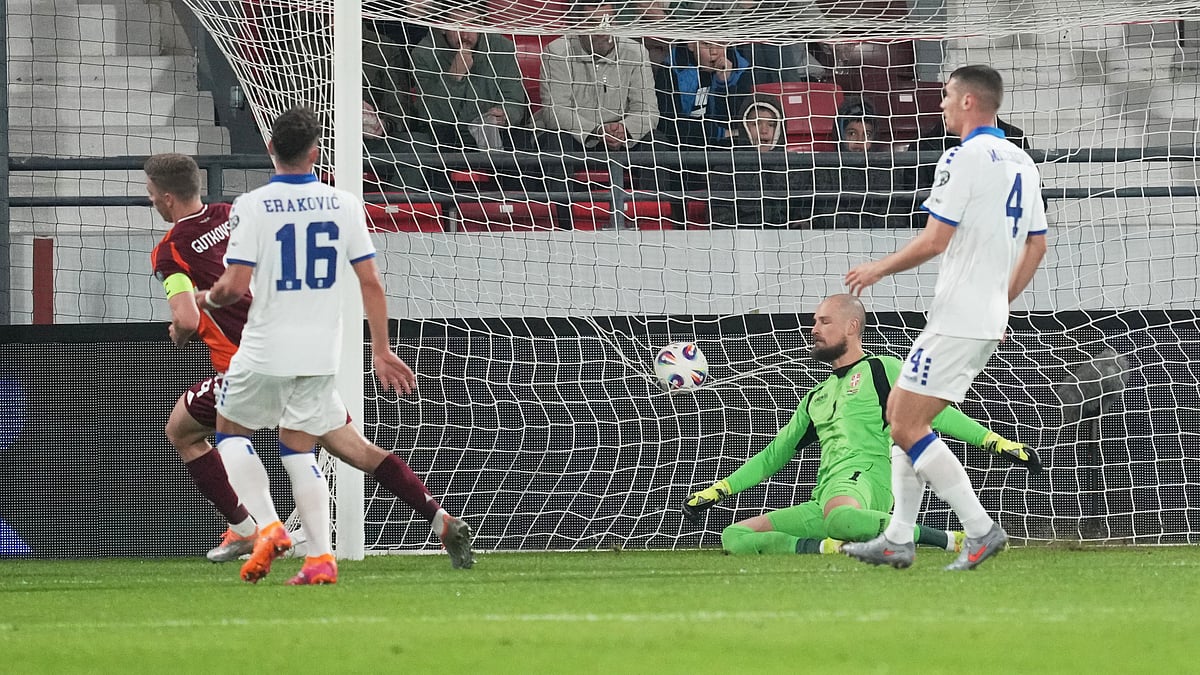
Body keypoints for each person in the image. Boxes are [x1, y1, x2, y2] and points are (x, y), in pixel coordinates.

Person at [197, 107, 475, 585]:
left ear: (270, 149)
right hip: (322, 350)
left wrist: (205, 297)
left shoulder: (252, 205)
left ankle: (269, 528)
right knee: (299, 447)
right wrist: (382, 350)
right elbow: (371, 283)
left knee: (230, 435)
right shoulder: (345, 204)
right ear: (316, 152)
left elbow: (234, 285)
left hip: (266, 345)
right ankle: (321, 560)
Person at [843, 65, 1049, 571]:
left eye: (947, 96)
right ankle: (897, 536)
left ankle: (980, 529)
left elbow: (936, 239)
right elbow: (1038, 244)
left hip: (958, 316)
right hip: (981, 315)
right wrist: (1001, 300)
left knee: (906, 423)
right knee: (900, 415)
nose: (940, 105)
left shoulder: (963, 157)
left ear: (968, 103)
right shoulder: (1021, 161)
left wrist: (878, 268)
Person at [682, 294, 1040, 555]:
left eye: (824, 322)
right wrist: (720, 490)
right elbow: (774, 455)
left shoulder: (881, 368)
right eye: (814, 322)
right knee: (735, 536)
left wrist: (995, 441)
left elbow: (934, 412)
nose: (814, 329)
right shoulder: (815, 397)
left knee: (842, 517)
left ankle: (952, 539)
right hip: (824, 499)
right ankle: (827, 548)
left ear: (852, 327)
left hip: (866, 481)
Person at [146, 153, 259, 563]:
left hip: (243, 362)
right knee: (335, 442)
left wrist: (180, 332)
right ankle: (434, 514)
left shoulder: (170, 249)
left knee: (182, 431)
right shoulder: (231, 214)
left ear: (169, 198)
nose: (151, 201)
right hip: (288, 342)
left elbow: (187, 317)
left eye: (152, 193)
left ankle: (251, 529)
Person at [533, 1, 659, 197]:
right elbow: (554, 112)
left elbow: (648, 110)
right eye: (593, 24)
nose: (601, 32)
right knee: (556, 142)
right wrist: (597, 131)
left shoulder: (636, 53)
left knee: (657, 141)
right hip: (576, 137)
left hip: (622, 138)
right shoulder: (556, 52)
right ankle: (563, 223)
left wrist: (625, 129)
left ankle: (655, 218)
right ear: (579, 23)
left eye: (607, 23)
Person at [409, 2, 529, 152]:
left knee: (521, 139)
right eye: (457, 26)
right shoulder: (424, 54)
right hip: (449, 136)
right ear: (443, 27)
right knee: (434, 139)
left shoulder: (502, 48)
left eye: (472, 24)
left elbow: (514, 100)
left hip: (494, 132)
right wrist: (453, 77)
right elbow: (432, 116)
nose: (465, 35)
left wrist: (505, 115)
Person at [813, 98, 906, 229]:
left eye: (867, 134)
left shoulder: (888, 171)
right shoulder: (825, 170)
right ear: (840, 134)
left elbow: (895, 216)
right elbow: (828, 215)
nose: (859, 141)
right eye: (852, 133)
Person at [707, 93, 795, 228]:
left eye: (771, 125)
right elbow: (720, 218)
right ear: (745, 128)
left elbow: (804, 211)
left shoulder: (795, 167)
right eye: (756, 124)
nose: (764, 131)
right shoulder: (725, 170)